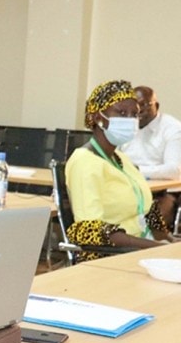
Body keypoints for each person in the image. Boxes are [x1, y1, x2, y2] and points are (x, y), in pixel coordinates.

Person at [65, 80, 174, 262]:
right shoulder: (85, 162)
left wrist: (170, 241)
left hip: (142, 248)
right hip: (113, 256)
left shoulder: (120, 158)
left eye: (134, 115)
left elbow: (147, 210)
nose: (130, 120)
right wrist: (156, 248)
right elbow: (91, 229)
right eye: (121, 113)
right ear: (98, 117)